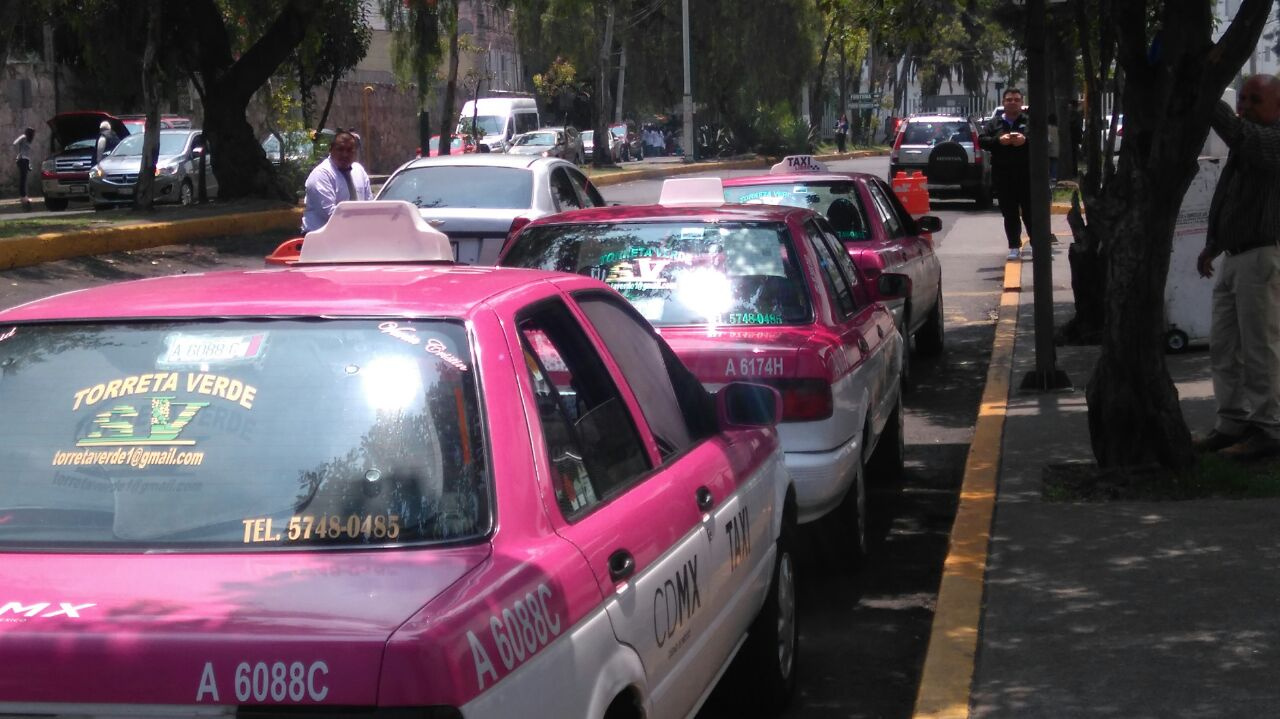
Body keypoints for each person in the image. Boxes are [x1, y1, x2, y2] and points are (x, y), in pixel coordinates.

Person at [1192, 74, 1280, 460]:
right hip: (1234, 257)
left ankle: (1269, 429)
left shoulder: (1270, 140)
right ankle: (1232, 423)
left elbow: (1245, 139)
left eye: (1254, 100)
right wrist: (1213, 244)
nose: (1244, 107)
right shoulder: (1251, 142)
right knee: (1225, 348)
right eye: (1241, 99)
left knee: (1261, 348)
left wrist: (1210, 99)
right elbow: (1228, 198)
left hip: (1262, 257)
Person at [979, 88, 1032, 261]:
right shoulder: (994, 123)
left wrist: (1025, 140)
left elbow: (1042, 139)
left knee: (1030, 212)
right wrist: (998, 141)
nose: (1013, 102)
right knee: (1009, 213)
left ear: (1021, 102)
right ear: (1003, 102)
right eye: (1009, 99)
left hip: (1026, 174)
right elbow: (982, 140)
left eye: (1017, 99)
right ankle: (1014, 246)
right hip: (1003, 175)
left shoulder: (1029, 121)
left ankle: (1035, 243)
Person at [301, 129, 373, 235]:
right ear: (331, 150)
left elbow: (369, 205)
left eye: (349, 150)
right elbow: (331, 214)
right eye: (340, 149)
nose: (345, 154)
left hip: (349, 236)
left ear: (355, 152)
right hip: (319, 238)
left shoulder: (359, 171)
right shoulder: (322, 174)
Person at [12, 127, 34, 209]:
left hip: (26, 160)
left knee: (24, 179)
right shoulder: (24, 137)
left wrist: (29, 163)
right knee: (23, 179)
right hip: (22, 160)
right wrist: (18, 155)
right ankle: (23, 196)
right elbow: (14, 143)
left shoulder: (29, 139)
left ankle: (24, 196)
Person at [1046, 113, 1060, 184]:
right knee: (1054, 163)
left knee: (1049, 163)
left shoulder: (1047, 128)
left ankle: (1050, 176)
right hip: (1056, 148)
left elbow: (1048, 139)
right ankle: (1054, 176)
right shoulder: (1058, 128)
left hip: (1049, 148)